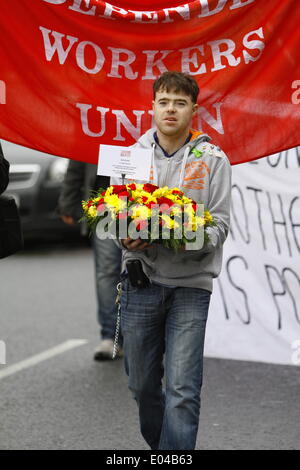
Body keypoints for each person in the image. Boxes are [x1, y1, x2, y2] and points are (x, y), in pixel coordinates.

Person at [114, 71, 232, 450]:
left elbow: (221, 226)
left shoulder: (213, 159)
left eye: (180, 103)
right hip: (141, 284)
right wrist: (125, 235)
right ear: (152, 107)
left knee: (182, 389)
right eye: (164, 101)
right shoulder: (129, 157)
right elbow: (115, 216)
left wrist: (183, 237)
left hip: (191, 287)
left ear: (193, 110)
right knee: (141, 386)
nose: (171, 109)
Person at [58, 161, 123, 360]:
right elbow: (78, 156)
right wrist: (68, 201)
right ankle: (110, 336)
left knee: (148, 271)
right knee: (107, 271)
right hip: (104, 205)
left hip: (147, 201)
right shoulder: (92, 128)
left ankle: (150, 337)